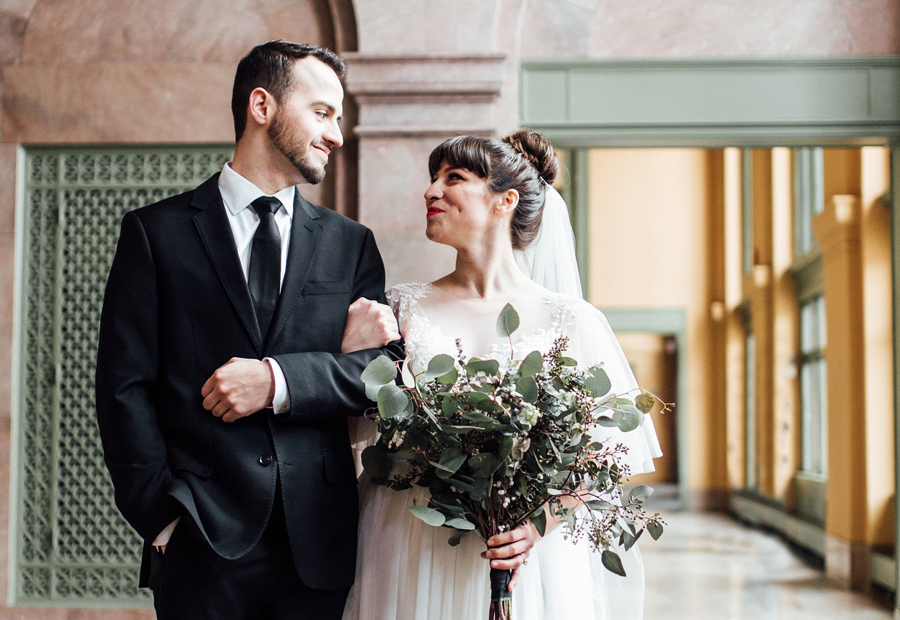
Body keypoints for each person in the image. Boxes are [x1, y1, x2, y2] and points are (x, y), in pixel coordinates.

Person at [95, 40, 403, 620]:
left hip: (320, 543)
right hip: (199, 542)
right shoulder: (154, 234)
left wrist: (276, 379)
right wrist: (162, 518)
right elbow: (122, 388)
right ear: (262, 106)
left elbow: (384, 376)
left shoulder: (350, 243)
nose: (337, 134)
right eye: (323, 112)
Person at [342, 130, 662, 620]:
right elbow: (358, 438)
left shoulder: (571, 320)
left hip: (525, 553)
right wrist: (352, 355)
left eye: (454, 178)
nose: (431, 191)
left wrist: (535, 526)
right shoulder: (398, 308)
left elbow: (606, 457)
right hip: (411, 537)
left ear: (504, 201)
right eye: (431, 179)